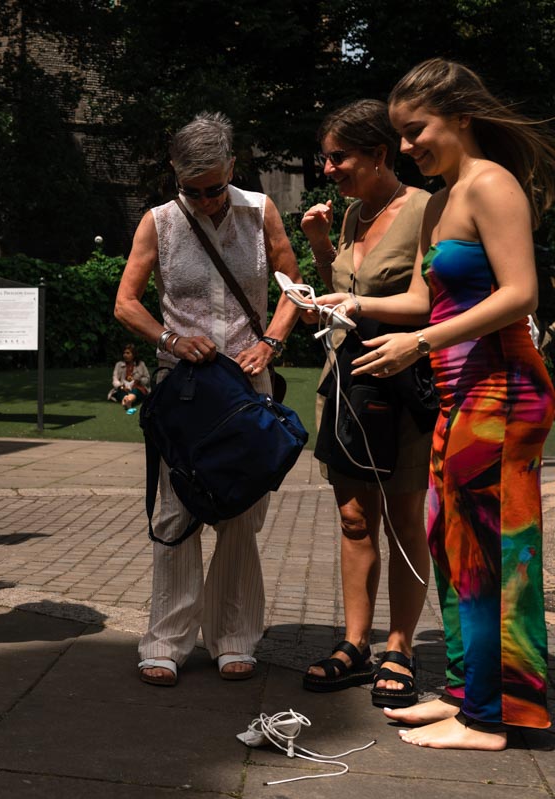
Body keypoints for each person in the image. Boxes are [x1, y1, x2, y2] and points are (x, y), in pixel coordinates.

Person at [317, 58, 555, 750]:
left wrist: (417, 343)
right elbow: (428, 297)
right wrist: (356, 302)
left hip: (502, 389)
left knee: (490, 551)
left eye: (416, 132)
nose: (410, 147)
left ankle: (495, 716)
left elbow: (519, 294)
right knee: (451, 546)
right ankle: (464, 692)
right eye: (402, 136)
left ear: (461, 117)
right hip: (458, 391)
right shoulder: (444, 197)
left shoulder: (491, 185)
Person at [114, 112, 301, 686]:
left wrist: (271, 341)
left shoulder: (260, 211)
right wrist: (169, 338)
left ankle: (234, 637)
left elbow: (294, 288)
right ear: (175, 174)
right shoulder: (160, 222)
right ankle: (167, 639)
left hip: (247, 385)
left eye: (214, 188)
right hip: (188, 390)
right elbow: (126, 302)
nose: (204, 200)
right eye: (191, 190)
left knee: (240, 512)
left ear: (232, 169)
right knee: (178, 510)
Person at [298, 100, 432, 707]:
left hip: (400, 388)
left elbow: (430, 304)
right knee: (354, 518)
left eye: (339, 156)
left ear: (379, 155)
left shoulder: (426, 212)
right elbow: (346, 287)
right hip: (345, 385)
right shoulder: (352, 213)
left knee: (404, 521)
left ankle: (399, 646)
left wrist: (357, 307)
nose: (328, 167)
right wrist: (322, 247)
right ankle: (355, 644)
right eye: (327, 156)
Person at [106, 343, 151, 414]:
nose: (125, 355)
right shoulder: (119, 365)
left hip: (137, 387)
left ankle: (128, 400)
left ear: (133, 354)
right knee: (120, 392)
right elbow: (115, 380)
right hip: (122, 388)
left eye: (128, 353)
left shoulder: (141, 364)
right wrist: (121, 386)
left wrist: (139, 380)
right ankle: (127, 401)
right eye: (124, 353)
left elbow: (147, 378)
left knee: (136, 390)